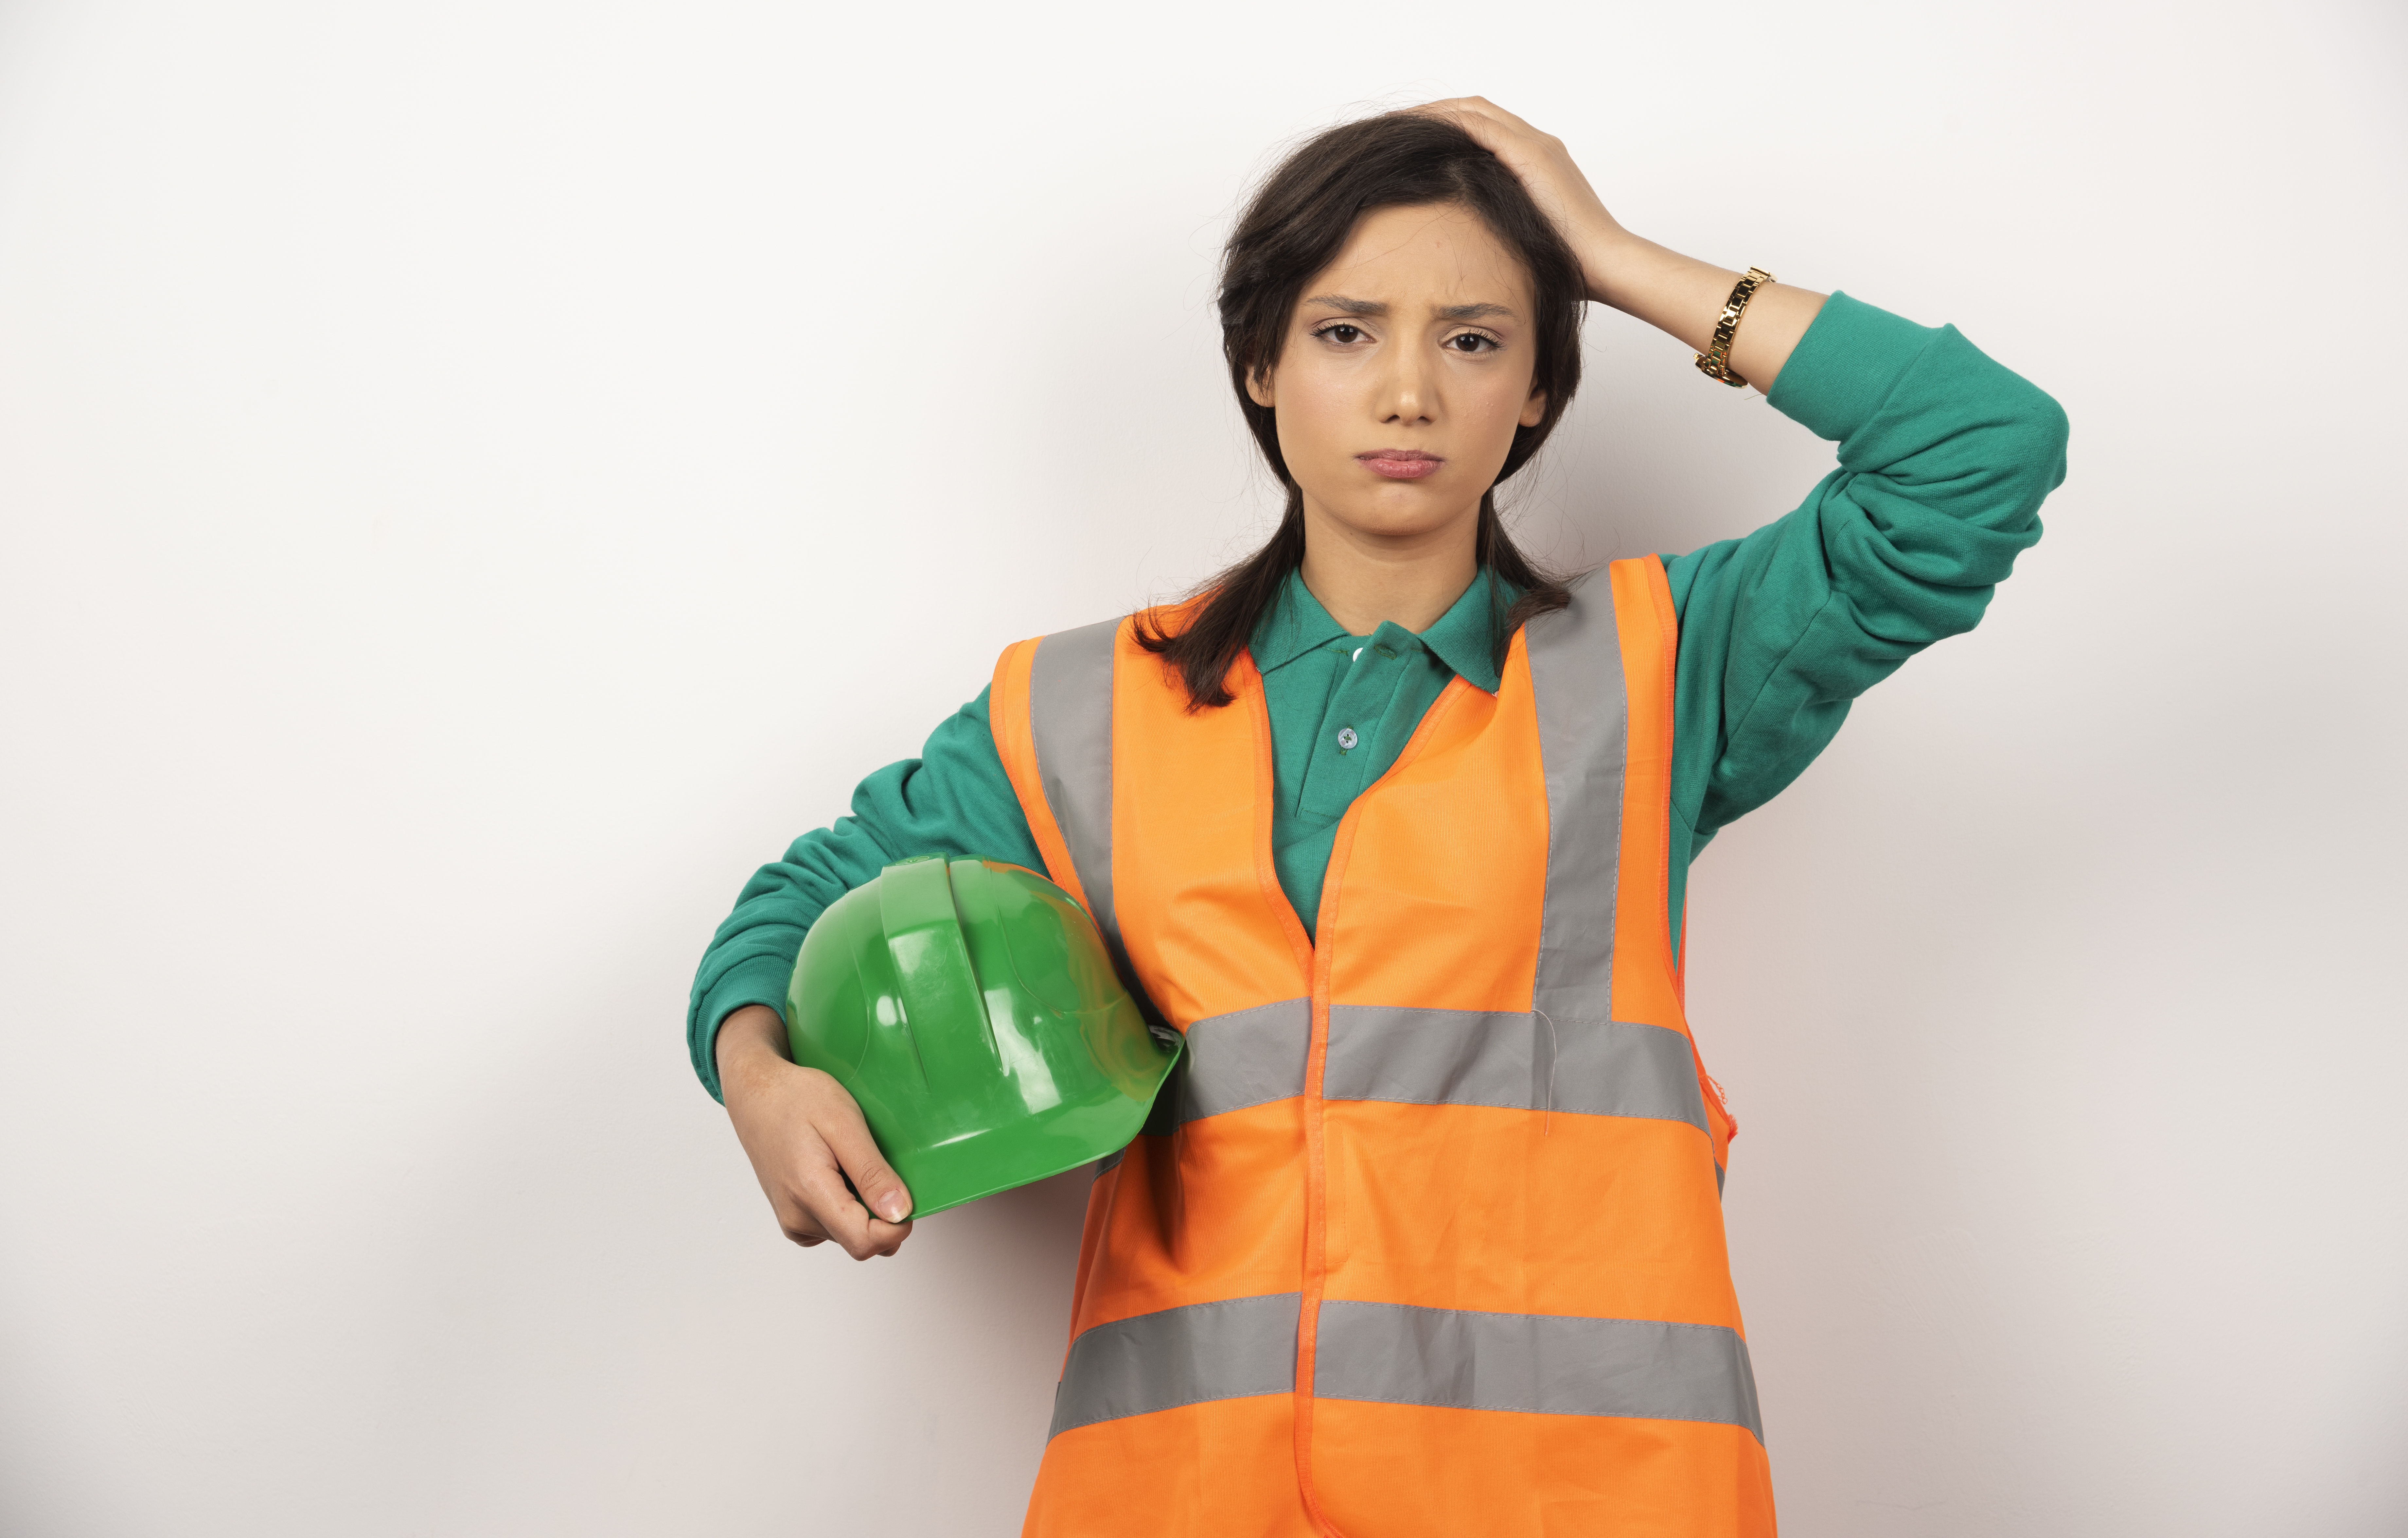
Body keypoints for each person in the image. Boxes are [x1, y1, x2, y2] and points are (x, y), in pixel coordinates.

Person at [689, 98, 2068, 1536]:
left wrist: (1602, 253)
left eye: (1473, 339)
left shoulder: (1670, 666)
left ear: (1539, 386)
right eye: (1346, 332)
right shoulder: (1077, 710)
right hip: (1184, 1501)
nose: (1408, 391)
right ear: (1260, 362)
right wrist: (756, 1075)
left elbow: (1982, 450)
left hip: (1576, 1501)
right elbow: (797, 911)